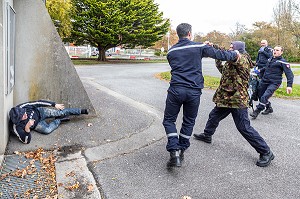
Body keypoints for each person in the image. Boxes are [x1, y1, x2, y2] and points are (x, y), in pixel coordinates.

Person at [163, 23, 240, 167]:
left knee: (169, 120)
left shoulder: (170, 52)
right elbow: (219, 55)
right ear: (190, 34)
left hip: (176, 90)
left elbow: (185, 55)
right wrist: (235, 54)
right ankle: (182, 148)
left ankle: (174, 152)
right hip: (193, 91)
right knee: (189, 120)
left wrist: (200, 46)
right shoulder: (198, 47)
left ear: (178, 34)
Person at [193, 41, 274, 167]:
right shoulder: (231, 62)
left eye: (232, 48)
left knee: (244, 127)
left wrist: (218, 51)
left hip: (237, 100)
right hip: (226, 99)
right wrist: (214, 48)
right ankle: (207, 135)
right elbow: (223, 69)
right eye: (230, 48)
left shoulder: (242, 60)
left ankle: (266, 152)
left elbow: (231, 56)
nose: (230, 50)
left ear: (238, 50)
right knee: (213, 116)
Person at [9, 99, 89, 144]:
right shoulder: (16, 127)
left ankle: (80, 111)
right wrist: (27, 128)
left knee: (60, 112)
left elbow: (38, 102)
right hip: (37, 124)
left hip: (40, 112)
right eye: (23, 116)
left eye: (24, 113)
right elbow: (26, 141)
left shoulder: (22, 107)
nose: (25, 114)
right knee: (47, 130)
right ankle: (59, 120)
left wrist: (54, 104)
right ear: (19, 120)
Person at [250, 45, 294, 119]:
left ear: (281, 52)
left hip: (274, 82)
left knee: (265, 96)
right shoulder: (270, 59)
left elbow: (289, 74)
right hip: (265, 80)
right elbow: (266, 67)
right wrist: (259, 70)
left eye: (277, 50)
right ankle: (269, 108)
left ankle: (257, 110)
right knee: (261, 95)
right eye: (274, 50)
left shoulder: (283, 62)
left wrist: (289, 86)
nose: (275, 51)